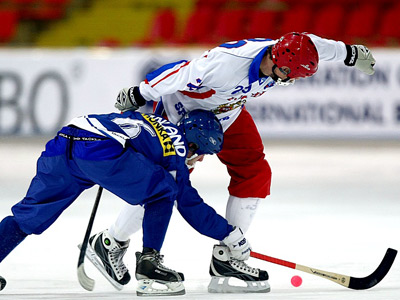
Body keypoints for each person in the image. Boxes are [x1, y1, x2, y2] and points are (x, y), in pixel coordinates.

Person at [88, 32, 376, 293]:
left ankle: (227, 257)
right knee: (165, 184)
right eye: (292, 76)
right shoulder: (226, 64)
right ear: (281, 64)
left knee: (255, 170)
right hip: (183, 111)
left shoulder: (290, 50)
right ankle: (110, 242)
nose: (293, 81)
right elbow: (182, 70)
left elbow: (317, 46)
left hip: (227, 112)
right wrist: (140, 92)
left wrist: (351, 54)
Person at [0, 109, 258, 296]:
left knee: (27, 217)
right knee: (163, 191)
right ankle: (150, 263)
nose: (199, 159)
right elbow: (190, 205)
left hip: (64, 143)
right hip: (99, 151)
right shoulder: (178, 147)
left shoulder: (153, 122)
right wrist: (230, 234)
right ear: (195, 142)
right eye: (202, 153)